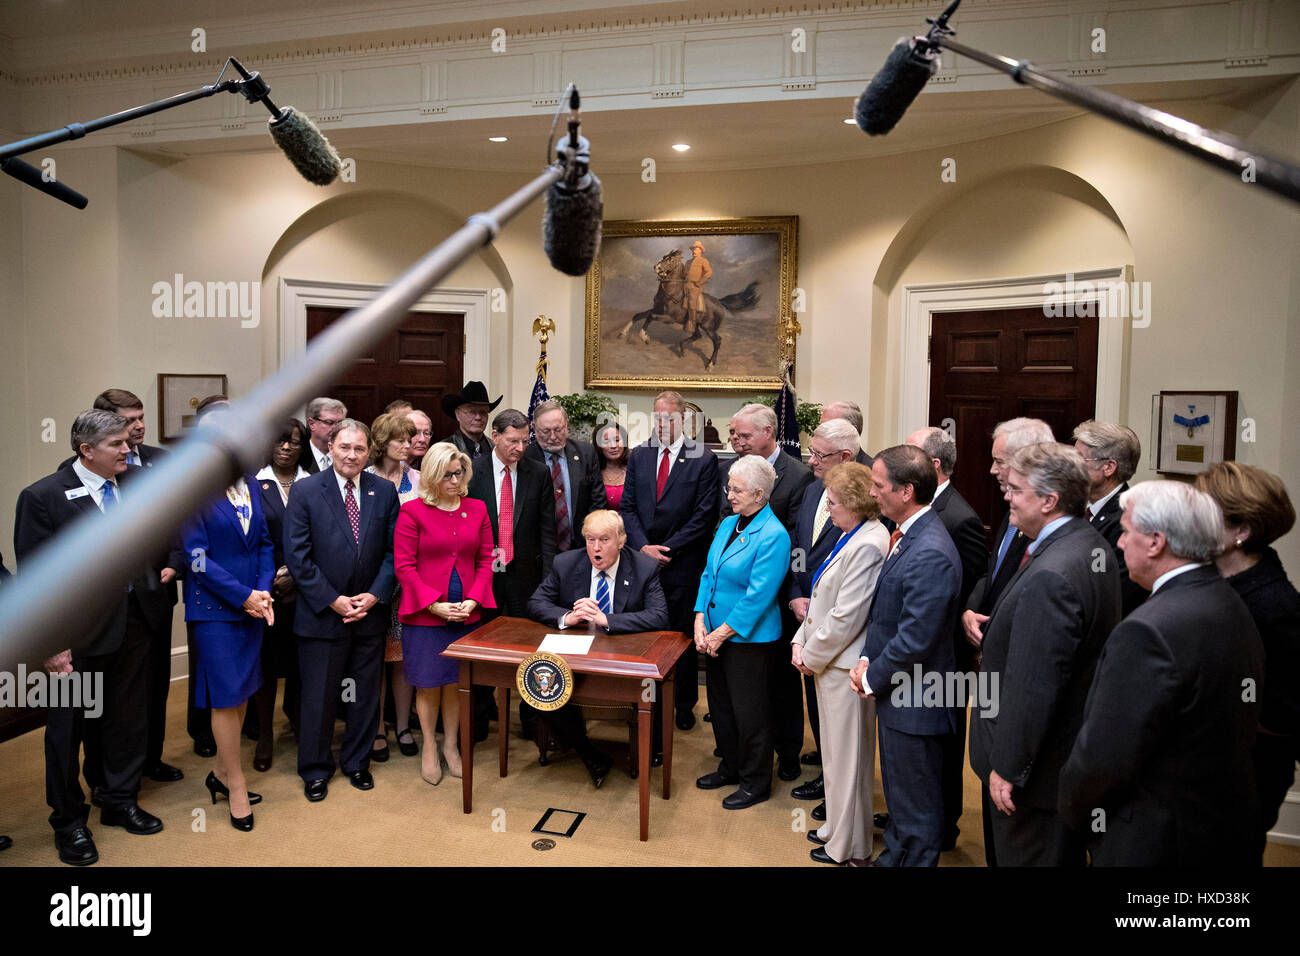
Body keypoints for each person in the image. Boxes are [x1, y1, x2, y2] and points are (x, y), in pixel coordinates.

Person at [1059, 481, 1264, 866]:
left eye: (1126, 532)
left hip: (1156, 839)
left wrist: (1073, 813)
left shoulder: (1148, 630)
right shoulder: (1228, 600)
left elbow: (1105, 758)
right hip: (1221, 825)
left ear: (1156, 542)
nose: (1118, 544)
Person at [14, 410, 164, 865]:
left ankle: (119, 801)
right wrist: (52, 645)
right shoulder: (43, 497)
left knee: (127, 720)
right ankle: (69, 822)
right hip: (75, 639)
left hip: (135, 625)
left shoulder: (136, 483)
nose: (129, 448)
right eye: (118, 443)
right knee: (67, 732)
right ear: (87, 450)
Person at [967, 442, 1120, 865]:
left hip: (1036, 775)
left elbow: (1036, 685)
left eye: (1016, 489)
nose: (1006, 496)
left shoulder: (1054, 573)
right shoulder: (1085, 543)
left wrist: (1010, 767)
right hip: (1057, 760)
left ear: (1050, 500)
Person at [57, 388, 186, 786]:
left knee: (151, 685)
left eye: (140, 417)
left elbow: (177, 518)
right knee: (108, 699)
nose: (139, 427)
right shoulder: (73, 479)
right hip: (105, 609)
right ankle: (106, 777)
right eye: (128, 422)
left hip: (154, 594)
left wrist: (175, 563)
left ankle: (148, 760)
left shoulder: (160, 461)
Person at [849, 444, 962, 867]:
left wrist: (872, 675)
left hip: (917, 701)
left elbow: (917, 637)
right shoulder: (908, 534)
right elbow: (887, 615)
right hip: (901, 694)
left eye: (879, 485)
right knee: (900, 794)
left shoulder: (929, 549)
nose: (873, 492)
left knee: (916, 805)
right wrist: (866, 659)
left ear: (906, 491)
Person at [285, 418, 400, 802]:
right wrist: (333, 600)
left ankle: (356, 762)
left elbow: (392, 553)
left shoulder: (383, 491)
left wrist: (375, 595)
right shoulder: (305, 491)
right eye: (345, 447)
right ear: (330, 447)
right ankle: (315, 769)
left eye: (359, 449)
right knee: (319, 696)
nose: (352, 455)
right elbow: (297, 558)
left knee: (364, 694)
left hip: (369, 613)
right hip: (322, 614)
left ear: (369, 452)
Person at [1194, 461, 1299, 857]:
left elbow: (1284, 715)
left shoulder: (1275, 607)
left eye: (1204, 515)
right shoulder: (1212, 581)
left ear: (1241, 531)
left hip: (1242, 780)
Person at [527, 510, 670, 787]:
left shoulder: (643, 567)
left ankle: (653, 746)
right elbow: (536, 602)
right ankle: (589, 752)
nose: (596, 547)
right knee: (540, 683)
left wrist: (610, 620)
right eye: (590, 539)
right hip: (577, 657)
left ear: (621, 540)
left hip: (624, 658)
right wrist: (567, 617)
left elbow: (659, 615)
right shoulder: (566, 563)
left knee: (654, 683)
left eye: (604, 539)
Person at [791, 462, 889, 865]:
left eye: (832, 502)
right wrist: (801, 641)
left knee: (849, 761)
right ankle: (837, 829)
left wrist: (809, 657)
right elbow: (821, 603)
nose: (827, 508)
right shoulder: (852, 534)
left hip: (842, 665)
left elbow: (847, 617)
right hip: (828, 661)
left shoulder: (869, 542)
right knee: (834, 756)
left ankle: (849, 846)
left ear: (854, 502)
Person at [906, 424, 988, 851]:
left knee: (944, 743)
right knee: (920, 747)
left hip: (948, 655)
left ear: (933, 465)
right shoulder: (920, 505)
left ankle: (944, 826)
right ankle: (919, 815)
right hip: (921, 650)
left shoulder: (961, 517)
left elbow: (972, 585)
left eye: (911, 453)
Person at [395, 443, 496, 785]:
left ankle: (451, 746)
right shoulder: (412, 512)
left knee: (456, 683)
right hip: (425, 615)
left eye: (459, 473)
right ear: (432, 476)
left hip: (467, 613)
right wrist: (433, 604)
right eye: (447, 475)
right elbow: (404, 567)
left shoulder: (477, 508)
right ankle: (428, 747)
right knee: (428, 684)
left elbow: (485, 561)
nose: (454, 480)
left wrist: (474, 601)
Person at [694, 455, 791, 810]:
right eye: (729, 487)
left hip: (750, 640)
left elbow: (759, 596)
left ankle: (755, 783)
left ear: (760, 493)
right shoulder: (728, 523)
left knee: (751, 715)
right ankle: (730, 767)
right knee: (721, 708)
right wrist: (698, 618)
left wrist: (720, 633)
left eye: (736, 489)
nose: (729, 494)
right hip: (715, 631)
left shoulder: (774, 535)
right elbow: (709, 574)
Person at [182, 461, 276, 831]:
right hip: (214, 609)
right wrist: (243, 596)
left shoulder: (250, 484)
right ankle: (236, 785)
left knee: (242, 692)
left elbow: (265, 542)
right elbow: (196, 557)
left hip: (254, 602)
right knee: (225, 696)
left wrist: (263, 589)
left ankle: (221, 771)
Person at [621, 390, 721, 731]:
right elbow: (628, 507)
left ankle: (682, 704)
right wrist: (644, 547)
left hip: (682, 564)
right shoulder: (640, 455)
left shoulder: (703, 458)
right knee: (645, 633)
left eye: (670, 418)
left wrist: (667, 549)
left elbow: (704, 516)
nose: (663, 424)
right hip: (641, 562)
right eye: (658, 417)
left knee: (679, 636)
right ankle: (644, 700)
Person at [785, 418, 862, 818]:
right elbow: (801, 546)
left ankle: (838, 800)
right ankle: (825, 775)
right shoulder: (814, 487)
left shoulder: (860, 499)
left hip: (837, 633)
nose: (811, 460)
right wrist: (797, 595)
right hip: (805, 610)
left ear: (844, 457)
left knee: (842, 729)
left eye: (819, 454)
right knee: (818, 711)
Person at [465, 408, 556, 738]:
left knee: (531, 649)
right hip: (483, 576)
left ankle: (531, 720)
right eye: (513, 441)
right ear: (495, 437)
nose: (520, 447)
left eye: (524, 440)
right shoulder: (471, 472)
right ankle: (479, 718)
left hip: (525, 576)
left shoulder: (537, 472)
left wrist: (549, 579)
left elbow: (548, 530)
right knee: (482, 645)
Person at [251, 417, 311, 771]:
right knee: (267, 667)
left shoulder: (313, 482)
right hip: (267, 591)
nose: (286, 447)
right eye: (280, 441)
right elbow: (253, 537)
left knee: (304, 666)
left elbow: (324, 536)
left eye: (294, 441)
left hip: (308, 591)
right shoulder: (254, 483)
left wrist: (298, 574)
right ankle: (263, 737)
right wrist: (273, 577)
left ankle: (303, 727)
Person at [365, 412, 420, 762]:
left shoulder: (418, 478)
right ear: (383, 442)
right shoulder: (365, 477)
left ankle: (402, 725)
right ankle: (376, 727)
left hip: (410, 582)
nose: (408, 445)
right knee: (373, 660)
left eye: (410, 438)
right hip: (373, 580)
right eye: (400, 439)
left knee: (402, 659)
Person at [1073, 420, 1146, 616]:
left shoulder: (1128, 521)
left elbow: (1109, 591)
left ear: (1108, 467)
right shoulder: (1073, 506)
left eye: (1079, 459)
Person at [525, 399, 607, 553]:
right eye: (546, 431)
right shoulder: (525, 458)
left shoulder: (586, 453)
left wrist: (587, 538)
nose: (553, 436)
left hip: (581, 548)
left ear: (567, 424)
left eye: (558, 429)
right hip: (538, 551)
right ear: (534, 428)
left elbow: (598, 501)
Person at [440, 381, 500, 460]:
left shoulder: (496, 449)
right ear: (458, 415)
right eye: (472, 412)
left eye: (483, 412)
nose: (478, 417)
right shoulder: (443, 450)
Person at [300, 397, 347, 474]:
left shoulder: (350, 456)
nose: (336, 428)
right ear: (312, 424)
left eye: (340, 423)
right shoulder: (298, 456)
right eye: (329, 422)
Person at [820, 400, 873, 466]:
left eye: (829, 427)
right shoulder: (817, 465)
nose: (820, 432)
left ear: (853, 431)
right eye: (821, 427)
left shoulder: (870, 473)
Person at [594, 420, 629, 512]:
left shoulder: (635, 470)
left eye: (617, 440)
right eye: (606, 441)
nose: (613, 446)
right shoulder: (592, 473)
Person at [683, 240, 712, 336]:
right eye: (693, 249)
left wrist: (700, 282)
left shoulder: (703, 261)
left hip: (695, 286)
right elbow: (684, 273)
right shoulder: (688, 262)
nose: (694, 251)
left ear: (701, 251)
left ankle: (691, 324)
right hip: (686, 284)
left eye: (696, 249)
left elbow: (708, 272)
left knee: (691, 304)